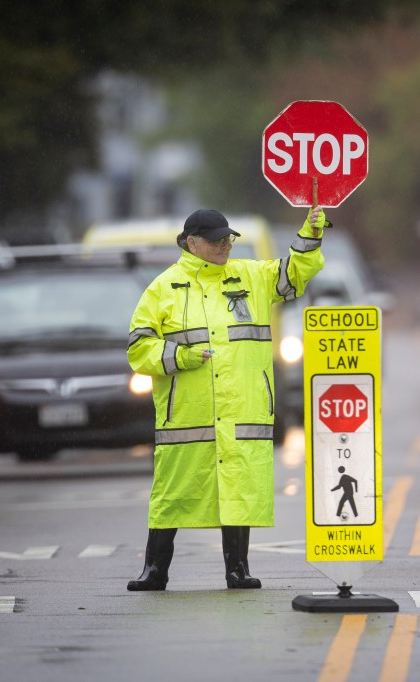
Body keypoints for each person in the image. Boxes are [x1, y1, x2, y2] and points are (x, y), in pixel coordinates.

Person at [126, 206, 329, 590]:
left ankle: (238, 569)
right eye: (216, 239)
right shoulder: (163, 288)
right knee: (172, 493)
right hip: (188, 418)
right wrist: (180, 358)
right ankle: (155, 570)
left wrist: (311, 232)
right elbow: (138, 349)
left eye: (228, 238)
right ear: (191, 243)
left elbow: (293, 274)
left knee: (239, 490)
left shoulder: (250, 275)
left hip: (243, 411)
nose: (225, 244)